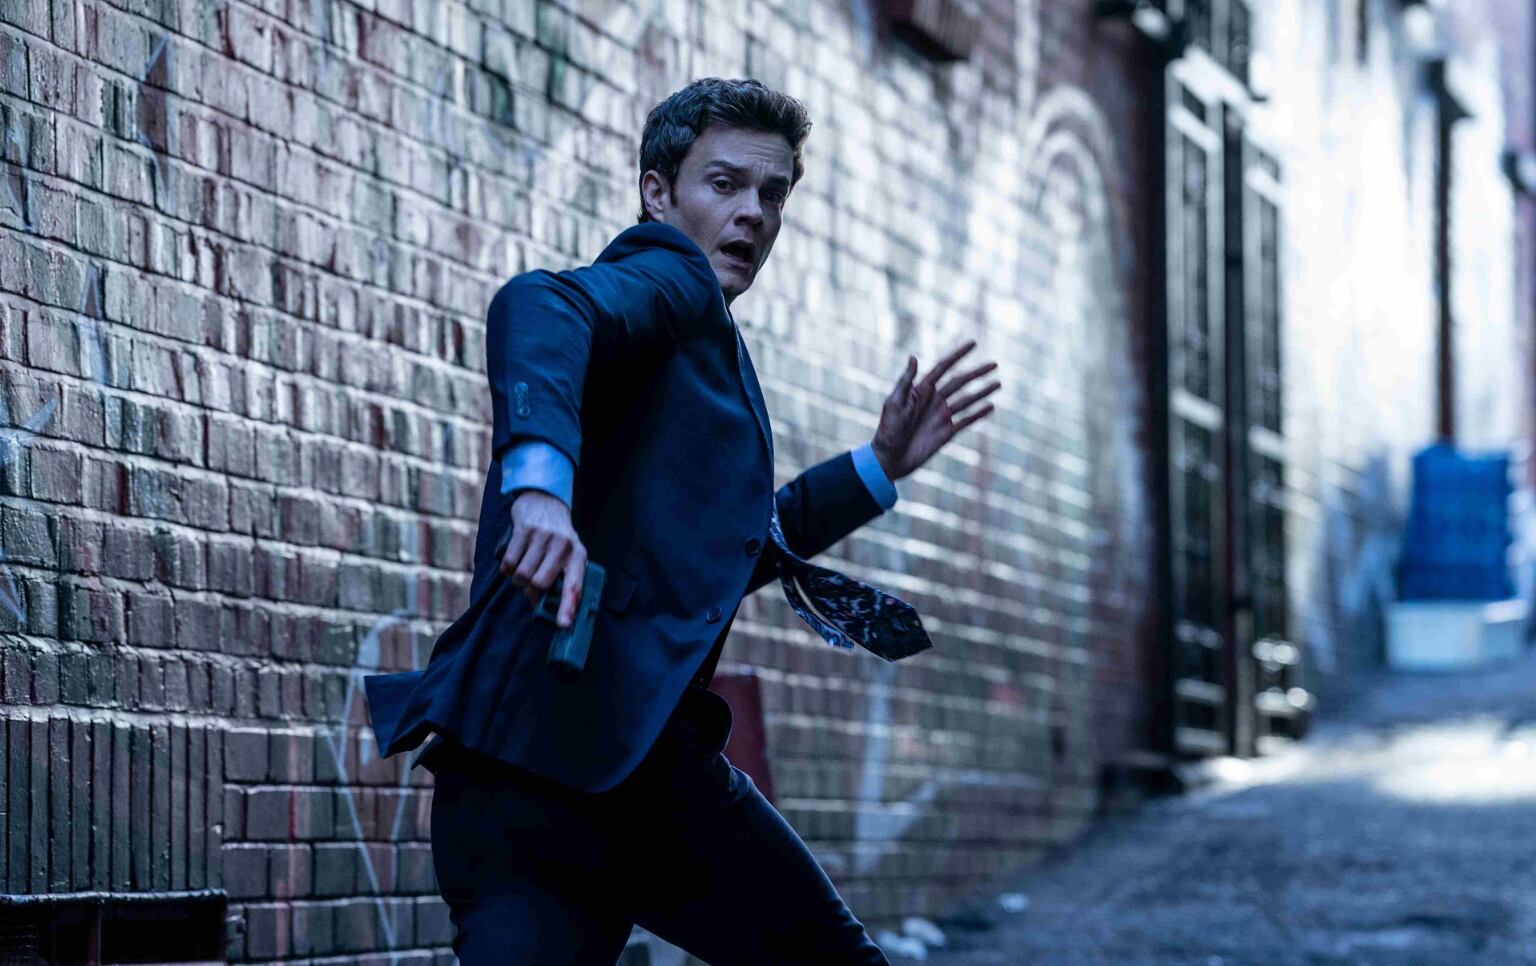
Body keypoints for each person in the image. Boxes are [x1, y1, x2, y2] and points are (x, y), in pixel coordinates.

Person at [364, 77, 1001, 964]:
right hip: (557, 780)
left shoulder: (692, 353)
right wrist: (538, 488)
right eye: (724, 184)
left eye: (772, 194)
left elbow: (732, 548)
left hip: (567, 777)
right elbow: (540, 303)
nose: (752, 214)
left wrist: (876, 467)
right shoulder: (670, 279)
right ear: (657, 193)